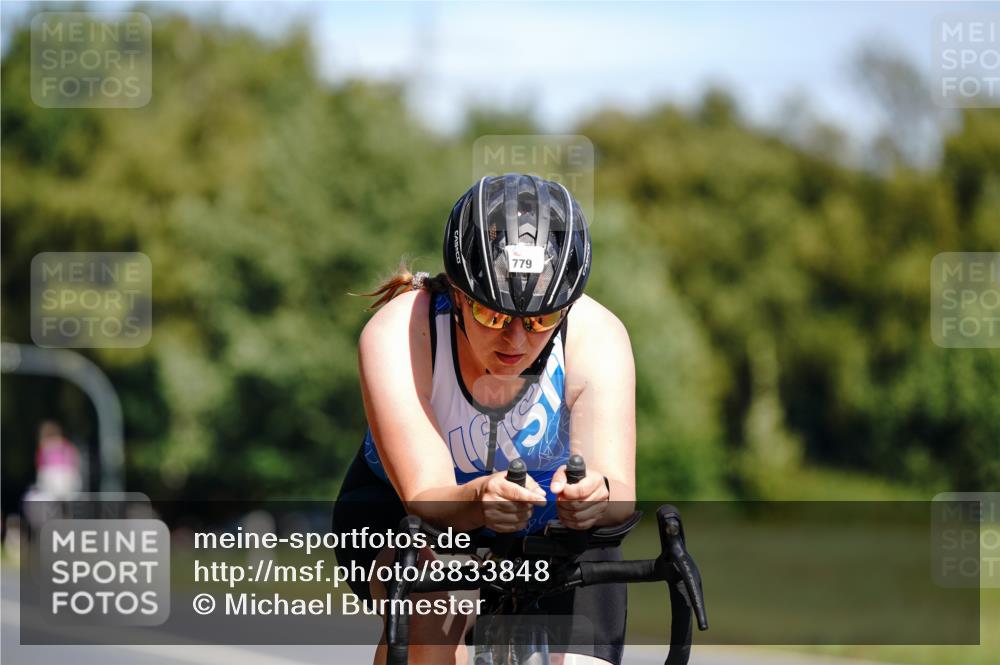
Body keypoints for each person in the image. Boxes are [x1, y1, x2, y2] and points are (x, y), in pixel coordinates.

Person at [333, 174, 636, 665]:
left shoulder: (597, 335)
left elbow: (619, 489)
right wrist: (477, 498)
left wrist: (595, 497)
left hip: (546, 525)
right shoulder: (398, 332)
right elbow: (426, 495)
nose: (515, 341)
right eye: (493, 316)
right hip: (408, 516)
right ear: (456, 293)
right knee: (428, 616)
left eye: (540, 320)